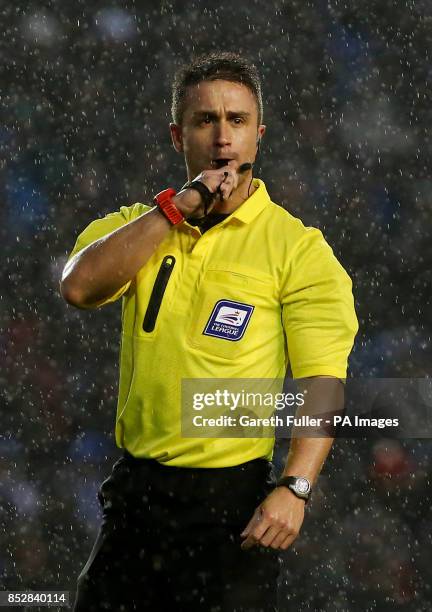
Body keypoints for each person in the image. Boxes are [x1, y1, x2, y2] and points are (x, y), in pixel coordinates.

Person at [60, 51, 358, 612]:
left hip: (230, 509)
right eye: (205, 121)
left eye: (237, 121)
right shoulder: (138, 227)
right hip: (137, 499)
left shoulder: (298, 250)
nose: (223, 137)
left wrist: (295, 488)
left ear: (259, 135)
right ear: (179, 137)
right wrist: (180, 208)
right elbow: (78, 288)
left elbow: (322, 382)